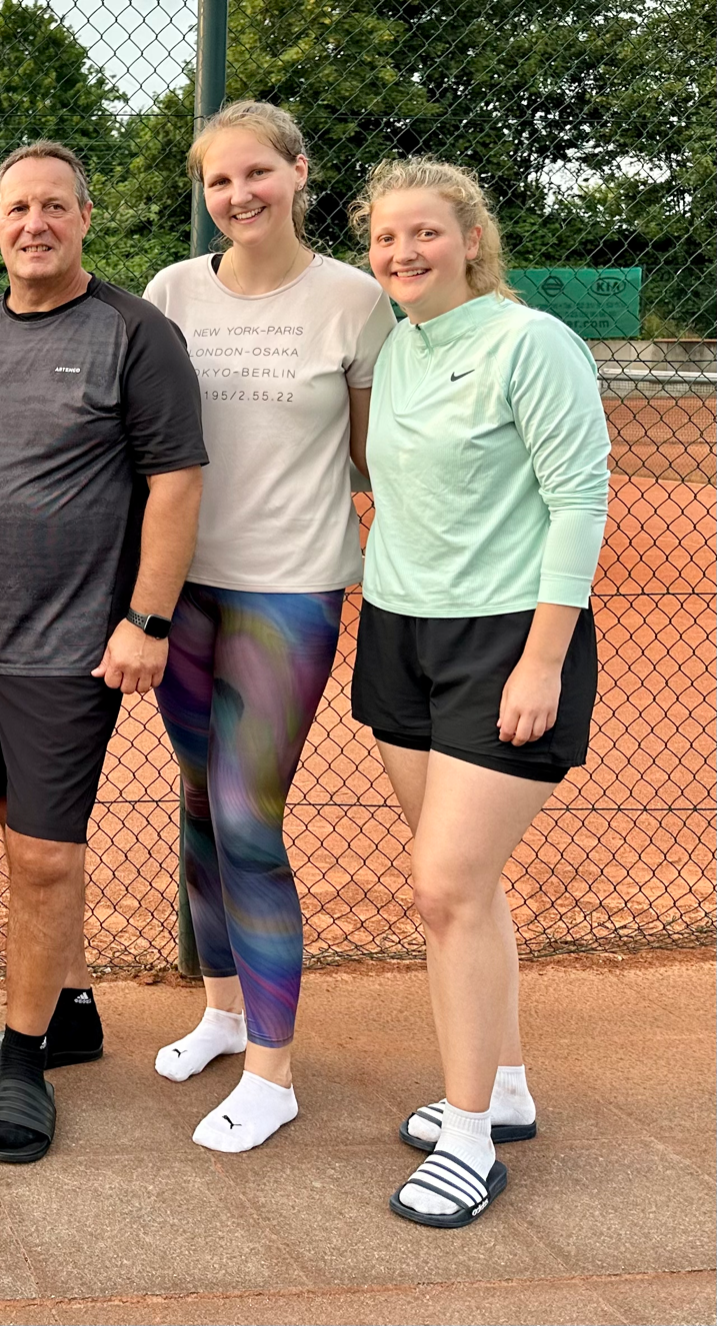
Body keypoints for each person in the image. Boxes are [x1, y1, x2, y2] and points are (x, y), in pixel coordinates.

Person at [0, 142, 205, 1162]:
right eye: (15, 209)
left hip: (70, 644)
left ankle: (27, 1063)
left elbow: (175, 482)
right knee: (16, 828)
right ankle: (71, 1007)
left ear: (85, 216)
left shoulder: (135, 333)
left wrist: (147, 620)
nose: (32, 224)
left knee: (43, 856)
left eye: (52, 206)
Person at [353, 159, 609, 1227]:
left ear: (469, 238)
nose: (401, 252)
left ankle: (469, 1142)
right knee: (460, 885)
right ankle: (500, 1088)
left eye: (423, 233)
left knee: (446, 885)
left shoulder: (529, 342)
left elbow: (579, 498)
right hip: (398, 630)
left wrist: (543, 660)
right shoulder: (398, 346)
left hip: (505, 641)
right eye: (384, 238)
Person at [139, 102, 397, 1152]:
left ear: (298, 172)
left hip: (288, 590)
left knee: (250, 820)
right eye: (218, 181)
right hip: (182, 590)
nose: (238, 195)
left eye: (256, 174)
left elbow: (376, 459)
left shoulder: (354, 300)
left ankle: (272, 1073)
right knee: (200, 805)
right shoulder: (170, 292)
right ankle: (221, 1011)